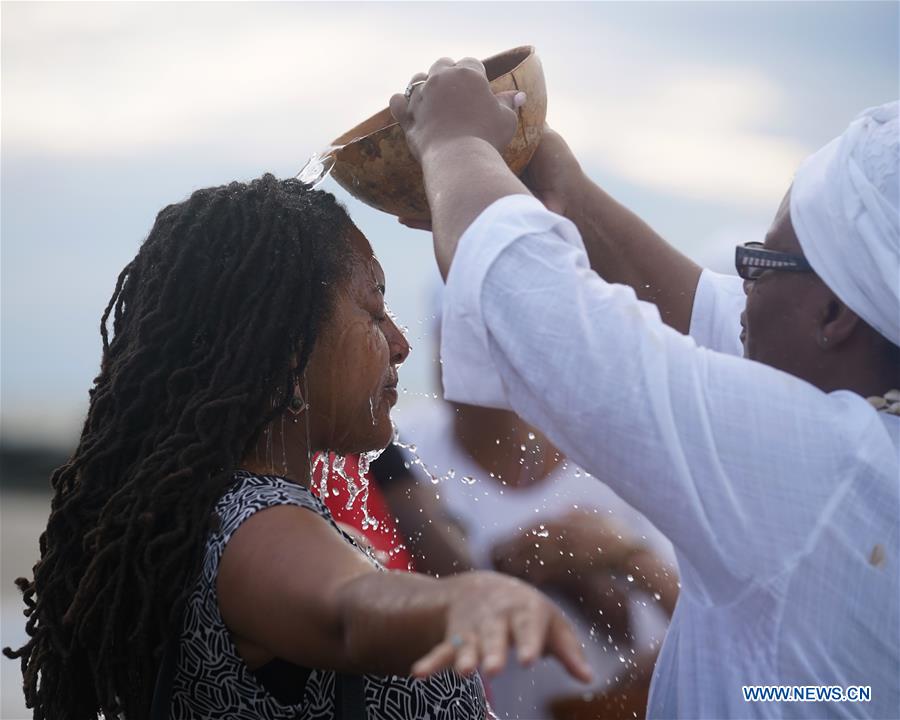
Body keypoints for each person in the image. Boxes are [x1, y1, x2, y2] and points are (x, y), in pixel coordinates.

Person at [389, 59, 899, 718]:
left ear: (834, 316)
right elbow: (709, 313)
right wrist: (567, 189)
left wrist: (454, 141)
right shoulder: (865, 441)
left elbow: (538, 312)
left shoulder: (828, 470)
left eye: (762, 264)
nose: (742, 286)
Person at [2, 175, 593, 720]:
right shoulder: (252, 523)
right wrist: (457, 605)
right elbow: (349, 610)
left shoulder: (213, 513)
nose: (398, 343)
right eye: (372, 310)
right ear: (289, 349)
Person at [374, 294, 678, 719]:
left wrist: (611, 556)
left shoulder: (616, 453)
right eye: (455, 338)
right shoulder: (398, 447)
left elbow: (691, 624)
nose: (463, 359)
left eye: (491, 337)